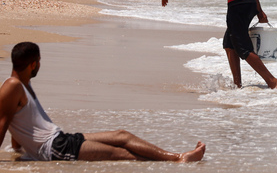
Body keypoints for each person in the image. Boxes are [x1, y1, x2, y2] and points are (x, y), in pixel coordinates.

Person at [0, 42, 205, 162]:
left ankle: (175, 157)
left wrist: (18, 150)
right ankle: (179, 160)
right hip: (55, 148)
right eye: (40, 62)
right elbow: (2, 122)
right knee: (121, 154)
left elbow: (17, 123)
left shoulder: (22, 84)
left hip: (60, 140)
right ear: (33, 64)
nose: (40, 66)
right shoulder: (12, 85)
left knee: (122, 135)